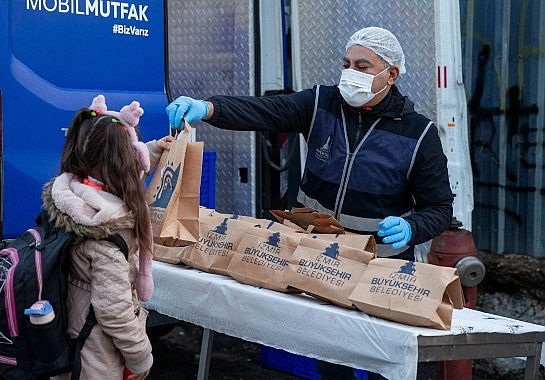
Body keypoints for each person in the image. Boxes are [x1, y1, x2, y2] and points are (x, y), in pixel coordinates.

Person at [166, 26, 453, 379]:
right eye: (346, 63)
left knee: (383, 362)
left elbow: (439, 209)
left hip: (380, 270)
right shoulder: (321, 104)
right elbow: (265, 111)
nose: (350, 73)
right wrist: (209, 108)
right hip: (322, 261)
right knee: (330, 357)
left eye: (362, 66)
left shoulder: (418, 134)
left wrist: (412, 228)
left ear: (391, 74)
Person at [43, 95, 173, 380]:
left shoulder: (77, 188)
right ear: (123, 164)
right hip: (95, 357)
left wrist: (153, 149)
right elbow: (114, 313)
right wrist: (141, 358)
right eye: (134, 153)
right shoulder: (106, 238)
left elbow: (120, 167)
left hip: (77, 331)